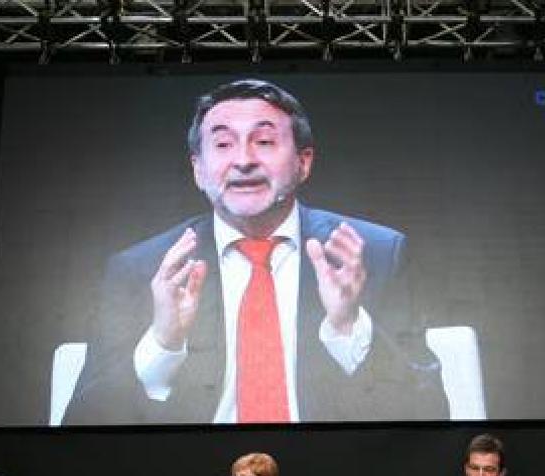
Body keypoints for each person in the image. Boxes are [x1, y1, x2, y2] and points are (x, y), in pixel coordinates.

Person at [63, 78, 445, 425]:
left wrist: (349, 326)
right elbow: (80, 423)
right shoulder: (143, 268)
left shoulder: (374, 254)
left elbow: (429, 408)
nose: (243, 160)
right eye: (223, 144)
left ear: (303, 162)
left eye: (263, 142)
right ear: (198, 169)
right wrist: (162, 343)